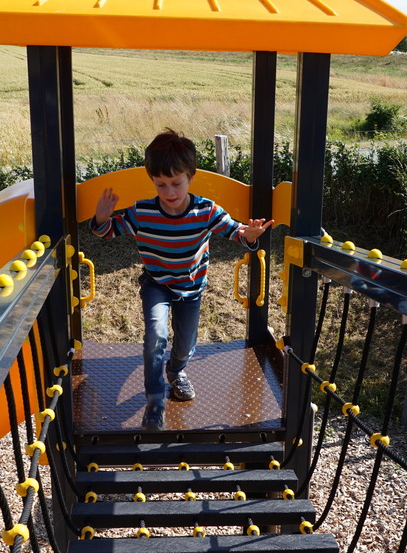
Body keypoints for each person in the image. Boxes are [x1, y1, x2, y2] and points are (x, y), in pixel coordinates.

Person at [90, 129, 274, 430]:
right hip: (157, 285)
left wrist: (249, 235)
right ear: (153, 182)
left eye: (176, 183)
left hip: (191, 287)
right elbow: (107, 231)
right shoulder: (143, 212)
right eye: (161, 185)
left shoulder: (206, 210)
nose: (170, 192)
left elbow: (235, 231)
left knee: (186, 344)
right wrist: (100, 218)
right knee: (156, 333)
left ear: (191, 177)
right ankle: (155, 400)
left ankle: (176, 371)